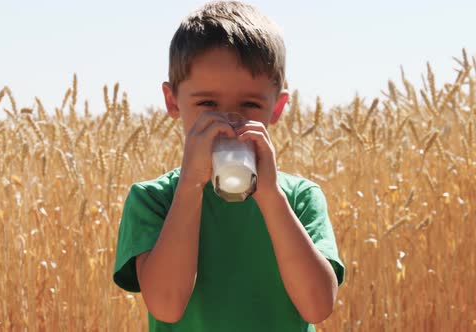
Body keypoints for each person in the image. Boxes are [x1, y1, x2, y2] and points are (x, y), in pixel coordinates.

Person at [113, 1, 345, 331]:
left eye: (250, 104)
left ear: (277, 108)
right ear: (172, 101)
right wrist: (191, 184)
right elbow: (166, 305)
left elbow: (318, 306)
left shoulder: (299, 198)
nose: (227, 122)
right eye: (207, 103)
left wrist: (271, 198)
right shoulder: (153, 200)